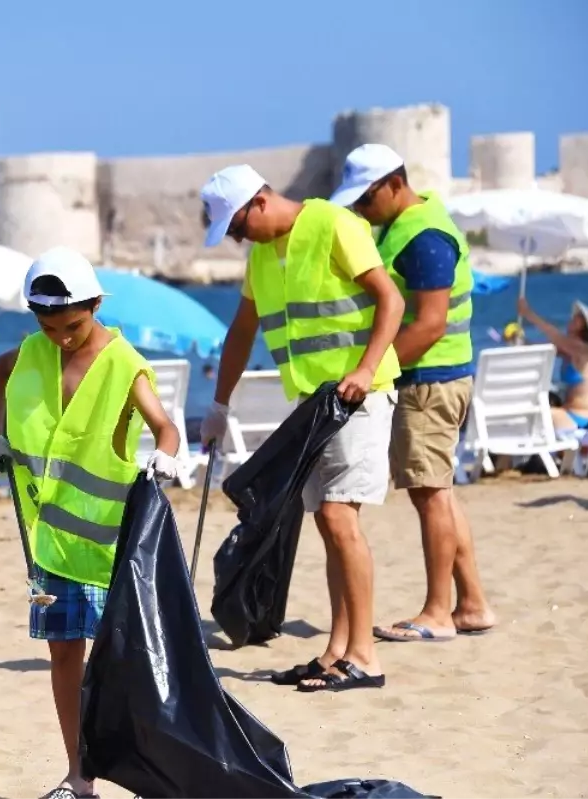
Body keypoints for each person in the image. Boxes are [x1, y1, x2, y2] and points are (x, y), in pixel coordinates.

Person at [0, 247, 181, 799]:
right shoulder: (30, 352)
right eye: (48, 327)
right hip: (50, 540)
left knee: (126, 659)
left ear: (94, 305)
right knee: (64, 653)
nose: (61, 338)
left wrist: (165, 457)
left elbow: (165, 427)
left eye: (72, 325)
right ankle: (79, 775)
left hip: (112, 540)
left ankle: (146, 770)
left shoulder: (122, 361)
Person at [198, 164, 403, 693]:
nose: (239, 239)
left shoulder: (334, 223)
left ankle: (365, 656)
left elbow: (391, 299)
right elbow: (241, 333)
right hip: (314, 409)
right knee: (328, 525)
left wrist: (363, 368)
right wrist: (219, 404)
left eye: (238, 227)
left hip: (362, 395)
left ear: (260, 202)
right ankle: (338, 650)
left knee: (339, 518)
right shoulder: (262, 258)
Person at [330, 144, 495, 642]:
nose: (360, 208)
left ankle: (438, 611)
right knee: (437, 490)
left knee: (430, 493)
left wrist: (371, 366)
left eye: (366, 197)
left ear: (394, 184)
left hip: (431, 379)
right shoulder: (405, 226)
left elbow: (430, 323)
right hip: (434, 377)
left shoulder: (423, 236)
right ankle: (471, 604)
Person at [518, 297, 588, 431]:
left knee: (527, 415)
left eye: (577, 317)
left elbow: (553, 334)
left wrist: (528, 313)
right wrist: (521, 341)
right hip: (572, 413)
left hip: (580, 418)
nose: (572, 318)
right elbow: (543, 349)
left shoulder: (582, 349)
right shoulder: (572, 349)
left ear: (582, 325)